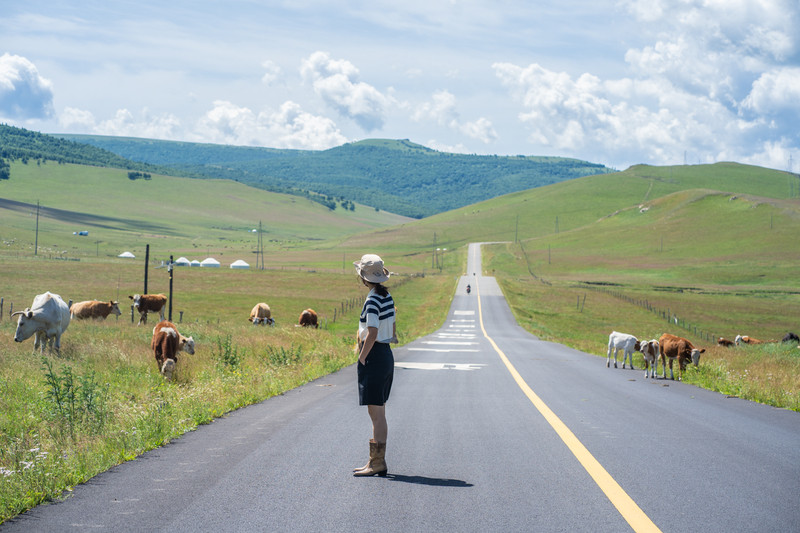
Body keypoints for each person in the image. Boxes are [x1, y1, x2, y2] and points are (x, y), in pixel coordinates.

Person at [352, 253, 397, 477]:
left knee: (376, 413)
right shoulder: (386, 297)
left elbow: (372, 332)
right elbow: (392, 327)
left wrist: (362, 357)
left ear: (364, 278)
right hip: (385, 354)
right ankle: (375, 461)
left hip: (374, 355)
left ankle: (376, 463)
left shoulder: (372, 300)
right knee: (379, 411)